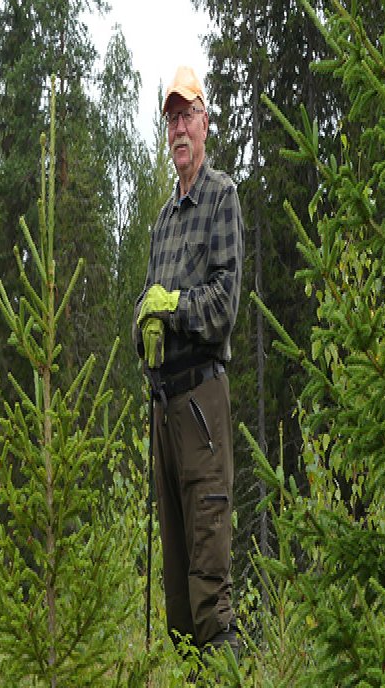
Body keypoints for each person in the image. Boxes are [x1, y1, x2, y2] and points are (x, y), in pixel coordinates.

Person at [133, 65, 244, 657]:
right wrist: (143, 330)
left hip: (204, 406)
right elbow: (144, 306)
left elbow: (225, 306)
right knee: (177, 595)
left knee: (208, 589)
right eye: (171, 117)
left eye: (188, 115)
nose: (179, 127)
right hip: (165, 412)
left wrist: (171, 309)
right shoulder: (162, 222)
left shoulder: (222, 197)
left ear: (205, 122)